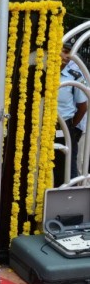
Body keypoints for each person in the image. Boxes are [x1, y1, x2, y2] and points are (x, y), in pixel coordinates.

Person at [54, 43, 87, 187]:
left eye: (68, 52)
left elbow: (83, 107)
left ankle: (70, 197)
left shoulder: (74, 76)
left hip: (64, 125)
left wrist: (71, 126)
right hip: (44, 125)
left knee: (67, 164)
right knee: (50, 163)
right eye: (62, 51)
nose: (65, 56)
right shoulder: (44, 72)